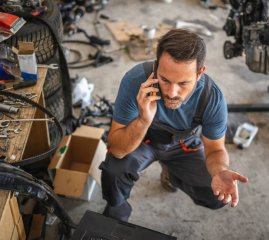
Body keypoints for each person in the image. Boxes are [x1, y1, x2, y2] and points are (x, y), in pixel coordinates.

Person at [99, 29, 248, 221]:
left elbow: (215, 149)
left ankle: (172, 174)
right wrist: (143, 119)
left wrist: (219, 171)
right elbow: (118, 150)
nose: (171, 92)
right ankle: (117, 210)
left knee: (216, 195)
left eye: (183, 83)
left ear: (200, 73)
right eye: (165, 80)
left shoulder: (212, 99)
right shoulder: (135, 81)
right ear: (156, 66)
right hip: (142, 139)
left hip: (182, 145)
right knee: (114, 171)